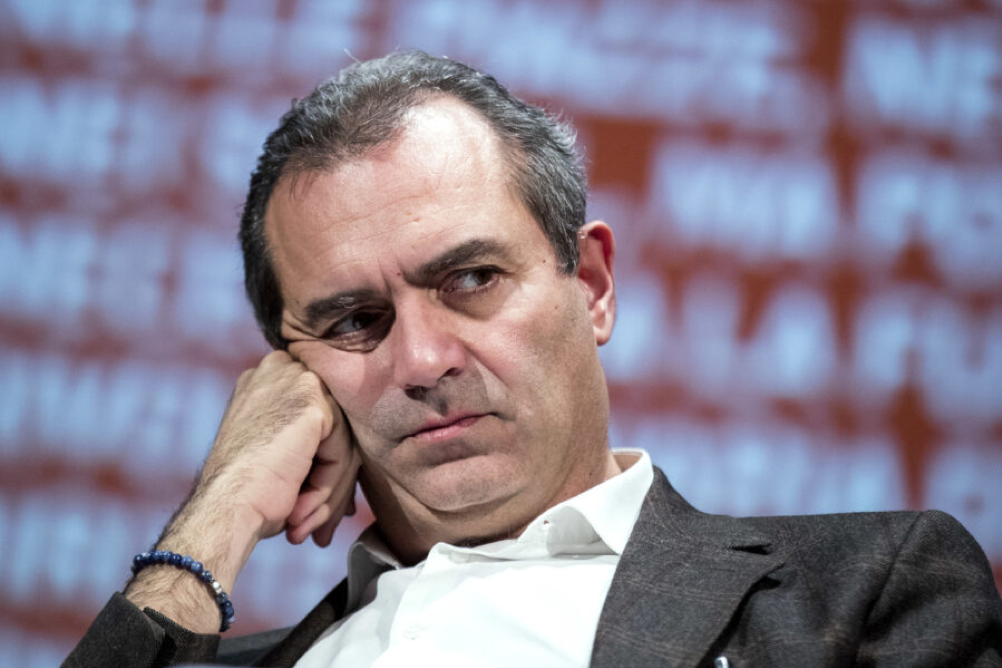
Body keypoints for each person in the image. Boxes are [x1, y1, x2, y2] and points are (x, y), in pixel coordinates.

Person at [64, 51, 1001, 668]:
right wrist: (216, 517)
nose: (422, 359)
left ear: (591, 284)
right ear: (291, 379)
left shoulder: (851, 590)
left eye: (471, 278)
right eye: (353, 321)